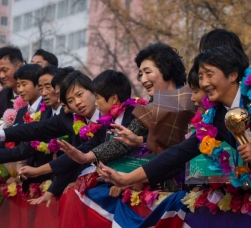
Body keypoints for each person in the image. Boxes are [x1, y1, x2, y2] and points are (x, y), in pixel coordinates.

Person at [99, 46, 251, 199]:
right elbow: (178, 153)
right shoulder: (216, 117)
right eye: (200, 77)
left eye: (209, 75)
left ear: (232, 75)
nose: (204, 83)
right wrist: (126, 178)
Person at [57, 44, 187, 168]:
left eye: (147, 72)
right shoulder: (151, 106)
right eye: (140, 74)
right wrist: (86, 157)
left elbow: (181, 144)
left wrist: (140, 140)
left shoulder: (190, 100)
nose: (142, 79)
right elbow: (124, 141)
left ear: (167, 69)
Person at [0, 46, 25, 116]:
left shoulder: (34, 94)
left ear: (20, 67)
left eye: (5, 70)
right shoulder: (3, 96)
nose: (1, 76)